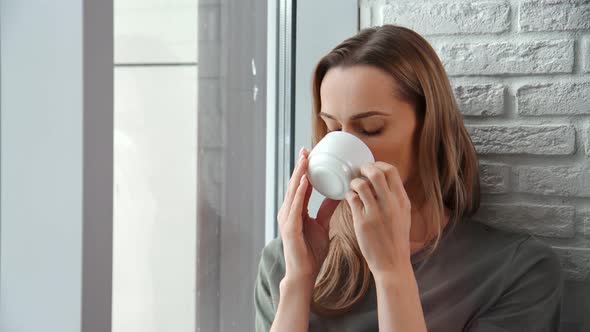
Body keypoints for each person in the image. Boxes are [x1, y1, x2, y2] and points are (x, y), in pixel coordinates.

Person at [254, 25, 563, 332]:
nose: (344, 146)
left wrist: (392, 272)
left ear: (429, 129)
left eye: (371, 128)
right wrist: (297, 280)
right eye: (333, 129)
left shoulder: (514, 271)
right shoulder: (290, 258)